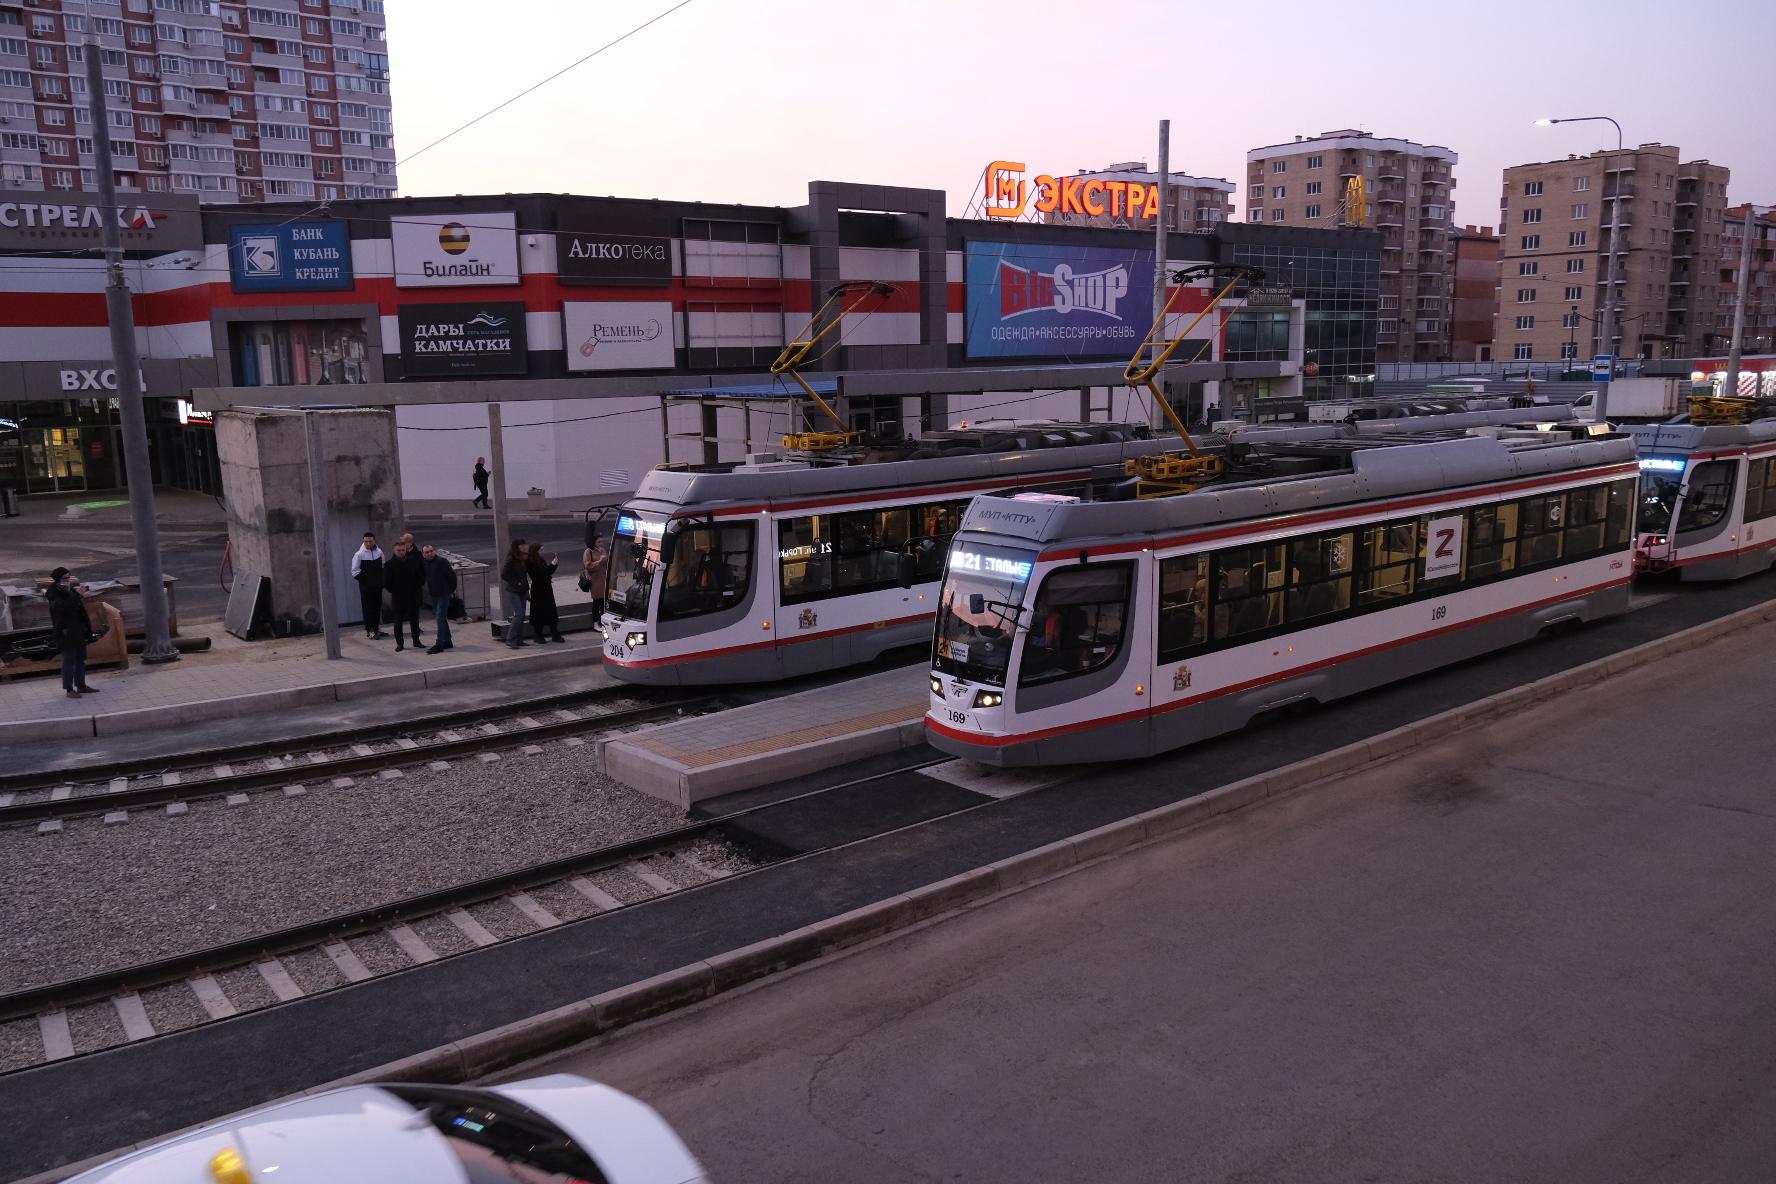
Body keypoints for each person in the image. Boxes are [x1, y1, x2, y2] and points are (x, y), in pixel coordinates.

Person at [46, 566, 99, 699]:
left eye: (69, 577)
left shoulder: (69, 589)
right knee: (69, 661)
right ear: (58, 579)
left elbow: (78, 608)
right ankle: (69, 689)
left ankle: (81, 685)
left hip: (78, 630)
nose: (68, 580)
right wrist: (77, 595)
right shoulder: (53, 593)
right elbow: (62, 608)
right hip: (65, 632)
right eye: (65, 578)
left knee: (80, 658)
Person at [386, 540, 425, 652]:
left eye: (403, 550)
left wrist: (416, 587)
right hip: (398, 598)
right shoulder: (389, 565)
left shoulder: (413, 562)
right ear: (394, 551)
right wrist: (396, 590)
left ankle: (416, 641)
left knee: (415, 621)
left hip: (413, 596)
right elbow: (387, 582)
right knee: (398, 622)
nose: (401, 552)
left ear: (405, 550)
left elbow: (421, 576)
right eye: (398, 550)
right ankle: (400, 644)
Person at [350, 531, 387, 640]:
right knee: (367, 609)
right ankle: (369, 631)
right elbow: (355, 572)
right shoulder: (359, 555)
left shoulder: (379, 552)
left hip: (377, 587)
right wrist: (366, 582)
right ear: (363, 541)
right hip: (366, 588)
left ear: (374, 541)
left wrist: (381, 581)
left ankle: (376, 628)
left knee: (377, 607)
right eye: (366, 541)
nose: (368, 543)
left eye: (370, 541)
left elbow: (383, 566)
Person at [526, 542, 565, 643]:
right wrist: (553, 564)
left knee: (551, 611)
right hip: (538, 590)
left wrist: (554, 565)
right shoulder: (531, 561)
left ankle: (554, 634)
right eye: (540, 550)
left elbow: (547, 572)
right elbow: (542, 573)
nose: (542, 552)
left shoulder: (539, 560)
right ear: (535, 551)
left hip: (546, 588)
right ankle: (538, 635)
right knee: (539, 612)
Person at [422, 544, 456, 654]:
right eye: (427, 552)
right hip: (434, 594)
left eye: (431, 551)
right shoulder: (425, 563)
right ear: (423, 554)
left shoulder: (442, 562)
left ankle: (439, 644)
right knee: (441, 618)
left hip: (444, 593)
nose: (429, 553)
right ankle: (447, 641)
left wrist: (451, 590)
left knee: (440, 618)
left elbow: (451, 576)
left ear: (434, 551)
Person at [499, 537, 530, 648]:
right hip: (513, 590)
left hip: (523, 591)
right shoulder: (512, 559)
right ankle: (510, 639)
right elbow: (504, 574)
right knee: (519, 614)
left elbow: (524, 576)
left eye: (525, 545)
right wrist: (516, 583)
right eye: (522, 545)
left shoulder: (523, 559)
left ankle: (519, 639)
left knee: (522, 615)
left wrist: (527, 591)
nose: (524, 547)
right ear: (517, 547)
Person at [582, 532, 609, 619]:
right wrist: (600, 561)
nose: (601, 544)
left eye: (602, 541)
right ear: (594, 542)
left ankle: (603, 620)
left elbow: (606, 563)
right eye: (599, 542)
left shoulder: (602, 550)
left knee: (603, 602)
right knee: (596, 601)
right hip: (595, 580)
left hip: (604, 579)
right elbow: (588, 566)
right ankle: (595, 621)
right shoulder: (588, 551)